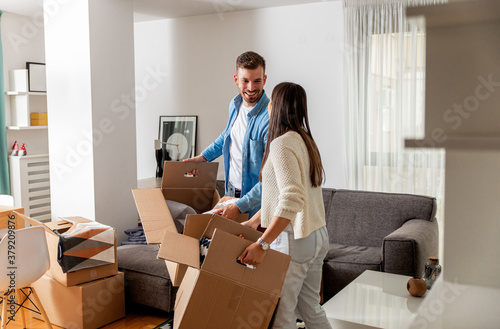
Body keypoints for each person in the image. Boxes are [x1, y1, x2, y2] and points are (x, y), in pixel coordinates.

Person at [238, 82, 332, 329]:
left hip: (295, 240)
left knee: (283, 314)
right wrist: (252, 221)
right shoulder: (305, 140)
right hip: (317, 235)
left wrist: (262, 243)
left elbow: (292, 198)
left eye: (271, 101)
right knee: (310, 308)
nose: (267, 105)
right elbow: (279, 195)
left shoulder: (281, 144)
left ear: (277, 106)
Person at [184, 51, 269, 220]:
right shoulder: (235, 104)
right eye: (245, 81)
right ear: (236, 80)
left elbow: (270, 177)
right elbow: (228, 135)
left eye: (257, 81)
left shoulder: (270, 116)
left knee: (248, 245)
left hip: (254, 203)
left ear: (264, 80)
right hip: (231, 192)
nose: (251, 88)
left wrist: (240, 205)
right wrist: (203, 157)